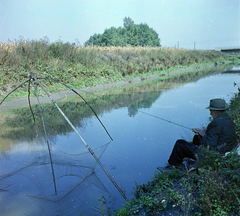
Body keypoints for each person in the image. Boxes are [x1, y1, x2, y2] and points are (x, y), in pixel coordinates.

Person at [162, 98, 236, 169]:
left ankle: (174, 166)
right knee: (197, 137)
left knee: (180, 144)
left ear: (216, 111)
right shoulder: (227, 119)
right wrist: (200, 132)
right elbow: (219, 133)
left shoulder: (216, 123)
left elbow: (210, 145)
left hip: (215, 154)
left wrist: (204, 134)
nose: (210, 113)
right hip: (226, 148)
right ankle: (194, 159)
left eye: (211, 111)